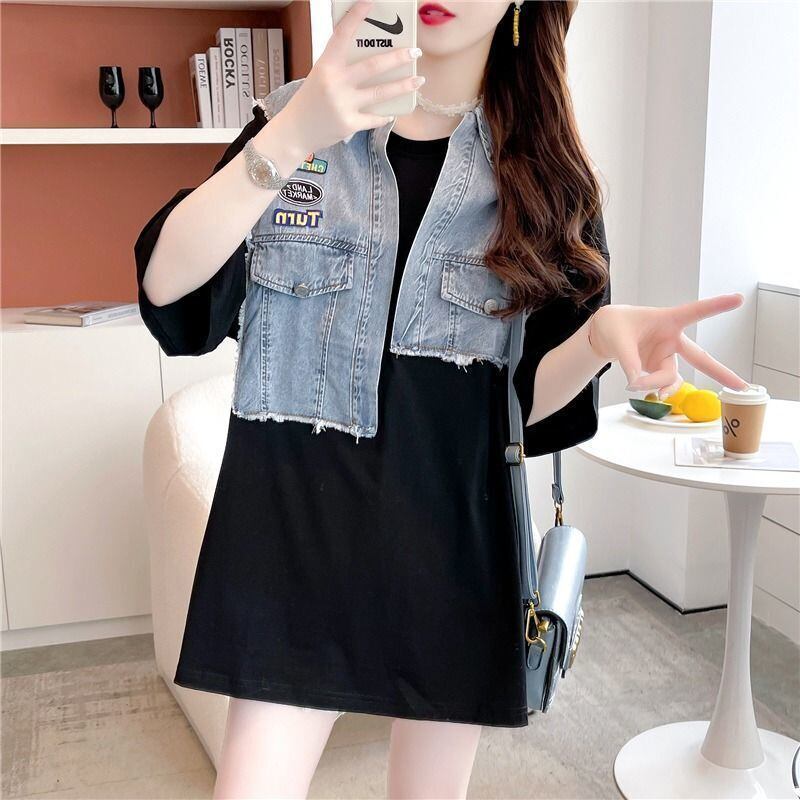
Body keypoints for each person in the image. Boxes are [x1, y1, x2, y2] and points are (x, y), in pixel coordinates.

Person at [134, 1, 749, 796]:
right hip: (292, 557)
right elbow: (170, 293)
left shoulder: (549, 176)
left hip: (451, 560)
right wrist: (297, 131)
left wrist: (597, 340)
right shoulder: (296, 121)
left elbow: (519, 408)